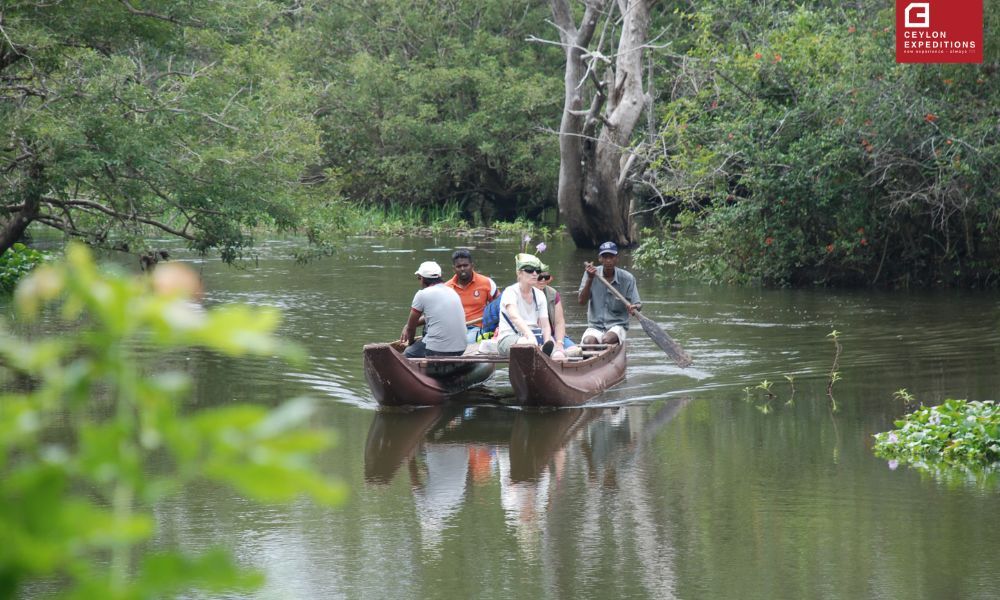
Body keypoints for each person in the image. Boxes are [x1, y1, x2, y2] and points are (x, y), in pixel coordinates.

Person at [400, 261, 468, 358]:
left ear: (422, 278)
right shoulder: (451, 291)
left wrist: (411, 343)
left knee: (407, 353)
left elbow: (411, 327)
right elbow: (435, 315)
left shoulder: (422, 294)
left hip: (437, 350)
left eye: (419, 278)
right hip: (461, 348)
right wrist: (408, 326)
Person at [577, 241, 641, 345]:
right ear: (600, 259)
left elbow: (638, 304)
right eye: (605, 257)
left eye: (611, 257)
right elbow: (581, 301)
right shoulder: (590, 274)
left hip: (617, 326)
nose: (608, 260)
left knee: (606, 340)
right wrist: (590, 279)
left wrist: (634, 307)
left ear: (617, 258)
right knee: (588, 342)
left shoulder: (627, 278)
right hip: (595, 326)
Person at [495, 253, 554, 357]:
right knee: (528, 344)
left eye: (538, 271)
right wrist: (530, 336)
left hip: (535, 338)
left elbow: (545, 326)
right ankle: (537, 350)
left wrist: (547, 341)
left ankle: (543, 352)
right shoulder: (510, 292)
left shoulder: (540, 295)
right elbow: (514, 317)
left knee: (556, 351)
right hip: (508, 338)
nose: (535, 273)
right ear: (519, 273)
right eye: (530, 270)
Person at [445, 249, 499, 343]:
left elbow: (499, 305)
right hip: (454, 329)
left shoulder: (486, 283)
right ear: (454, 268)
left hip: (478, 328)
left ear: (472, 266)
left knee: (467, 342)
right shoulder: (446, 288)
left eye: (465, 265)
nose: (462, 269)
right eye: (459, 266)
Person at [533, 263, 578, 360]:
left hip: (554, 334)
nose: (543, 280)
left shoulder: (553, 294)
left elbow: (559, 322)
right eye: (540, 277)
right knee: (558, 355)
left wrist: (559, 342)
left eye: (546, 277)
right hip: (537, 335)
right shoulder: (526, 294)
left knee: (575, 351)